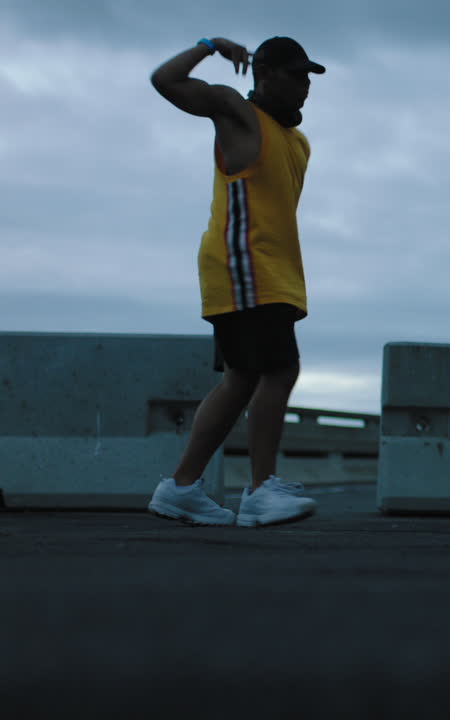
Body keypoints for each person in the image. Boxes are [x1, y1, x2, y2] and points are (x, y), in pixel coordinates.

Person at [146, 36, 324, 527]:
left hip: (273, 271)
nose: (306, 86)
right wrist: (209, 45)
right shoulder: (238, 114)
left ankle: (181, 487)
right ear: (265, 74)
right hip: (245, 265)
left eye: (309, 76)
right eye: (297, 75)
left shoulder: (296, 141)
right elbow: (165, 81)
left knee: (243, 378)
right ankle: (263, 488)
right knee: (280, 370)